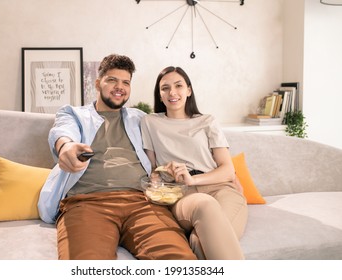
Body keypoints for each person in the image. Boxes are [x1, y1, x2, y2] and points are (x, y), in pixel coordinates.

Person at [37, 55, 197, 260]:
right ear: (98, 83)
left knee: (180, 261)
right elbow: (62, 132)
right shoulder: (74, 114)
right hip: (87, 203)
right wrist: (66, 147)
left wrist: (223, 170)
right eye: (112, 80)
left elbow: (177, 137)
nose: (119, 87)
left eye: (125, 82)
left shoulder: (140, 118)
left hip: (143, 202)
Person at [141, 66, 248, 260]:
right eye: (165, 88)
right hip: (182, 194)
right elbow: (151, 172)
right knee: (205, 205)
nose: (172, 92)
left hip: (221, 189)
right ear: (160, 94)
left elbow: (227, 170)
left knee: (200, 242)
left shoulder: (207, 121)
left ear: (189, 90)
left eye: (178, 86)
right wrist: (164, 175)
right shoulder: (150, 122)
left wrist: (193, 180)